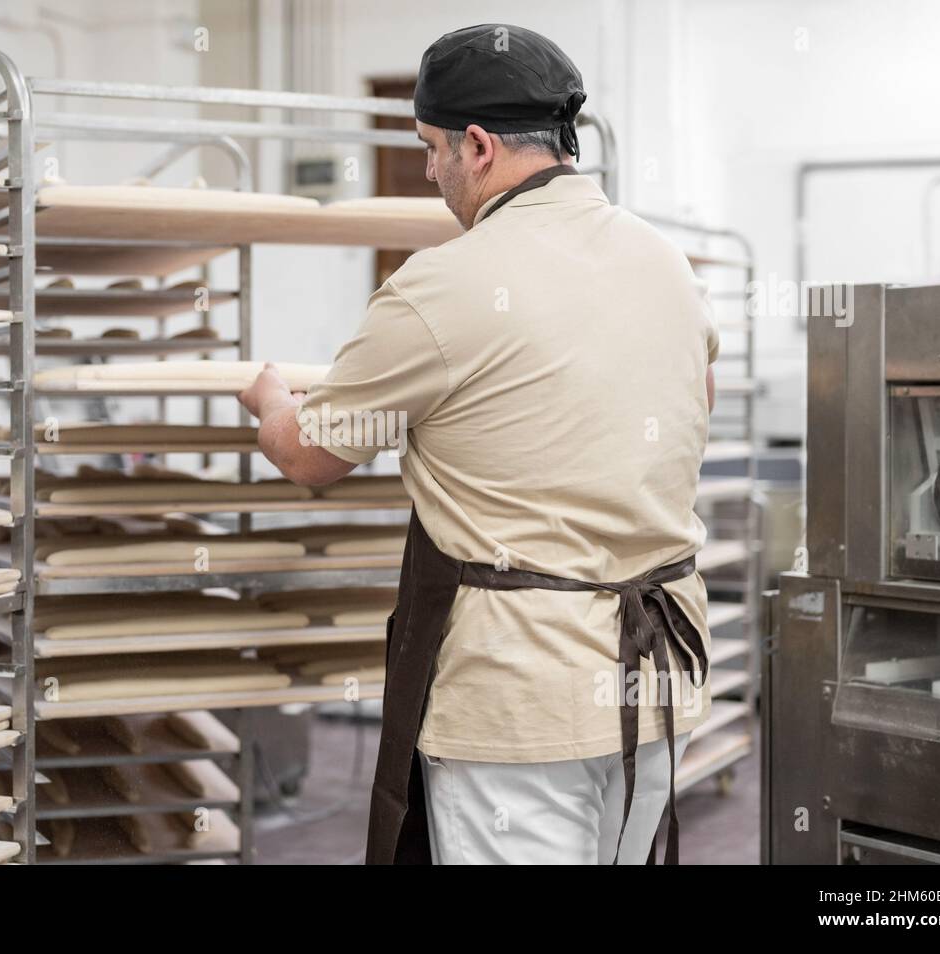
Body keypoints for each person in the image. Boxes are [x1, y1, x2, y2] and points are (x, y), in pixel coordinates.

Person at [238, 22, 719, 865]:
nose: (429, 172)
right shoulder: (666, 263)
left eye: (431, 149)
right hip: (658, 682)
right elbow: (690, 402)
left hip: (521, 702)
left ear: (480, 145)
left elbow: (312, 454)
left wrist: (272, 399)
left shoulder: (442, 284)